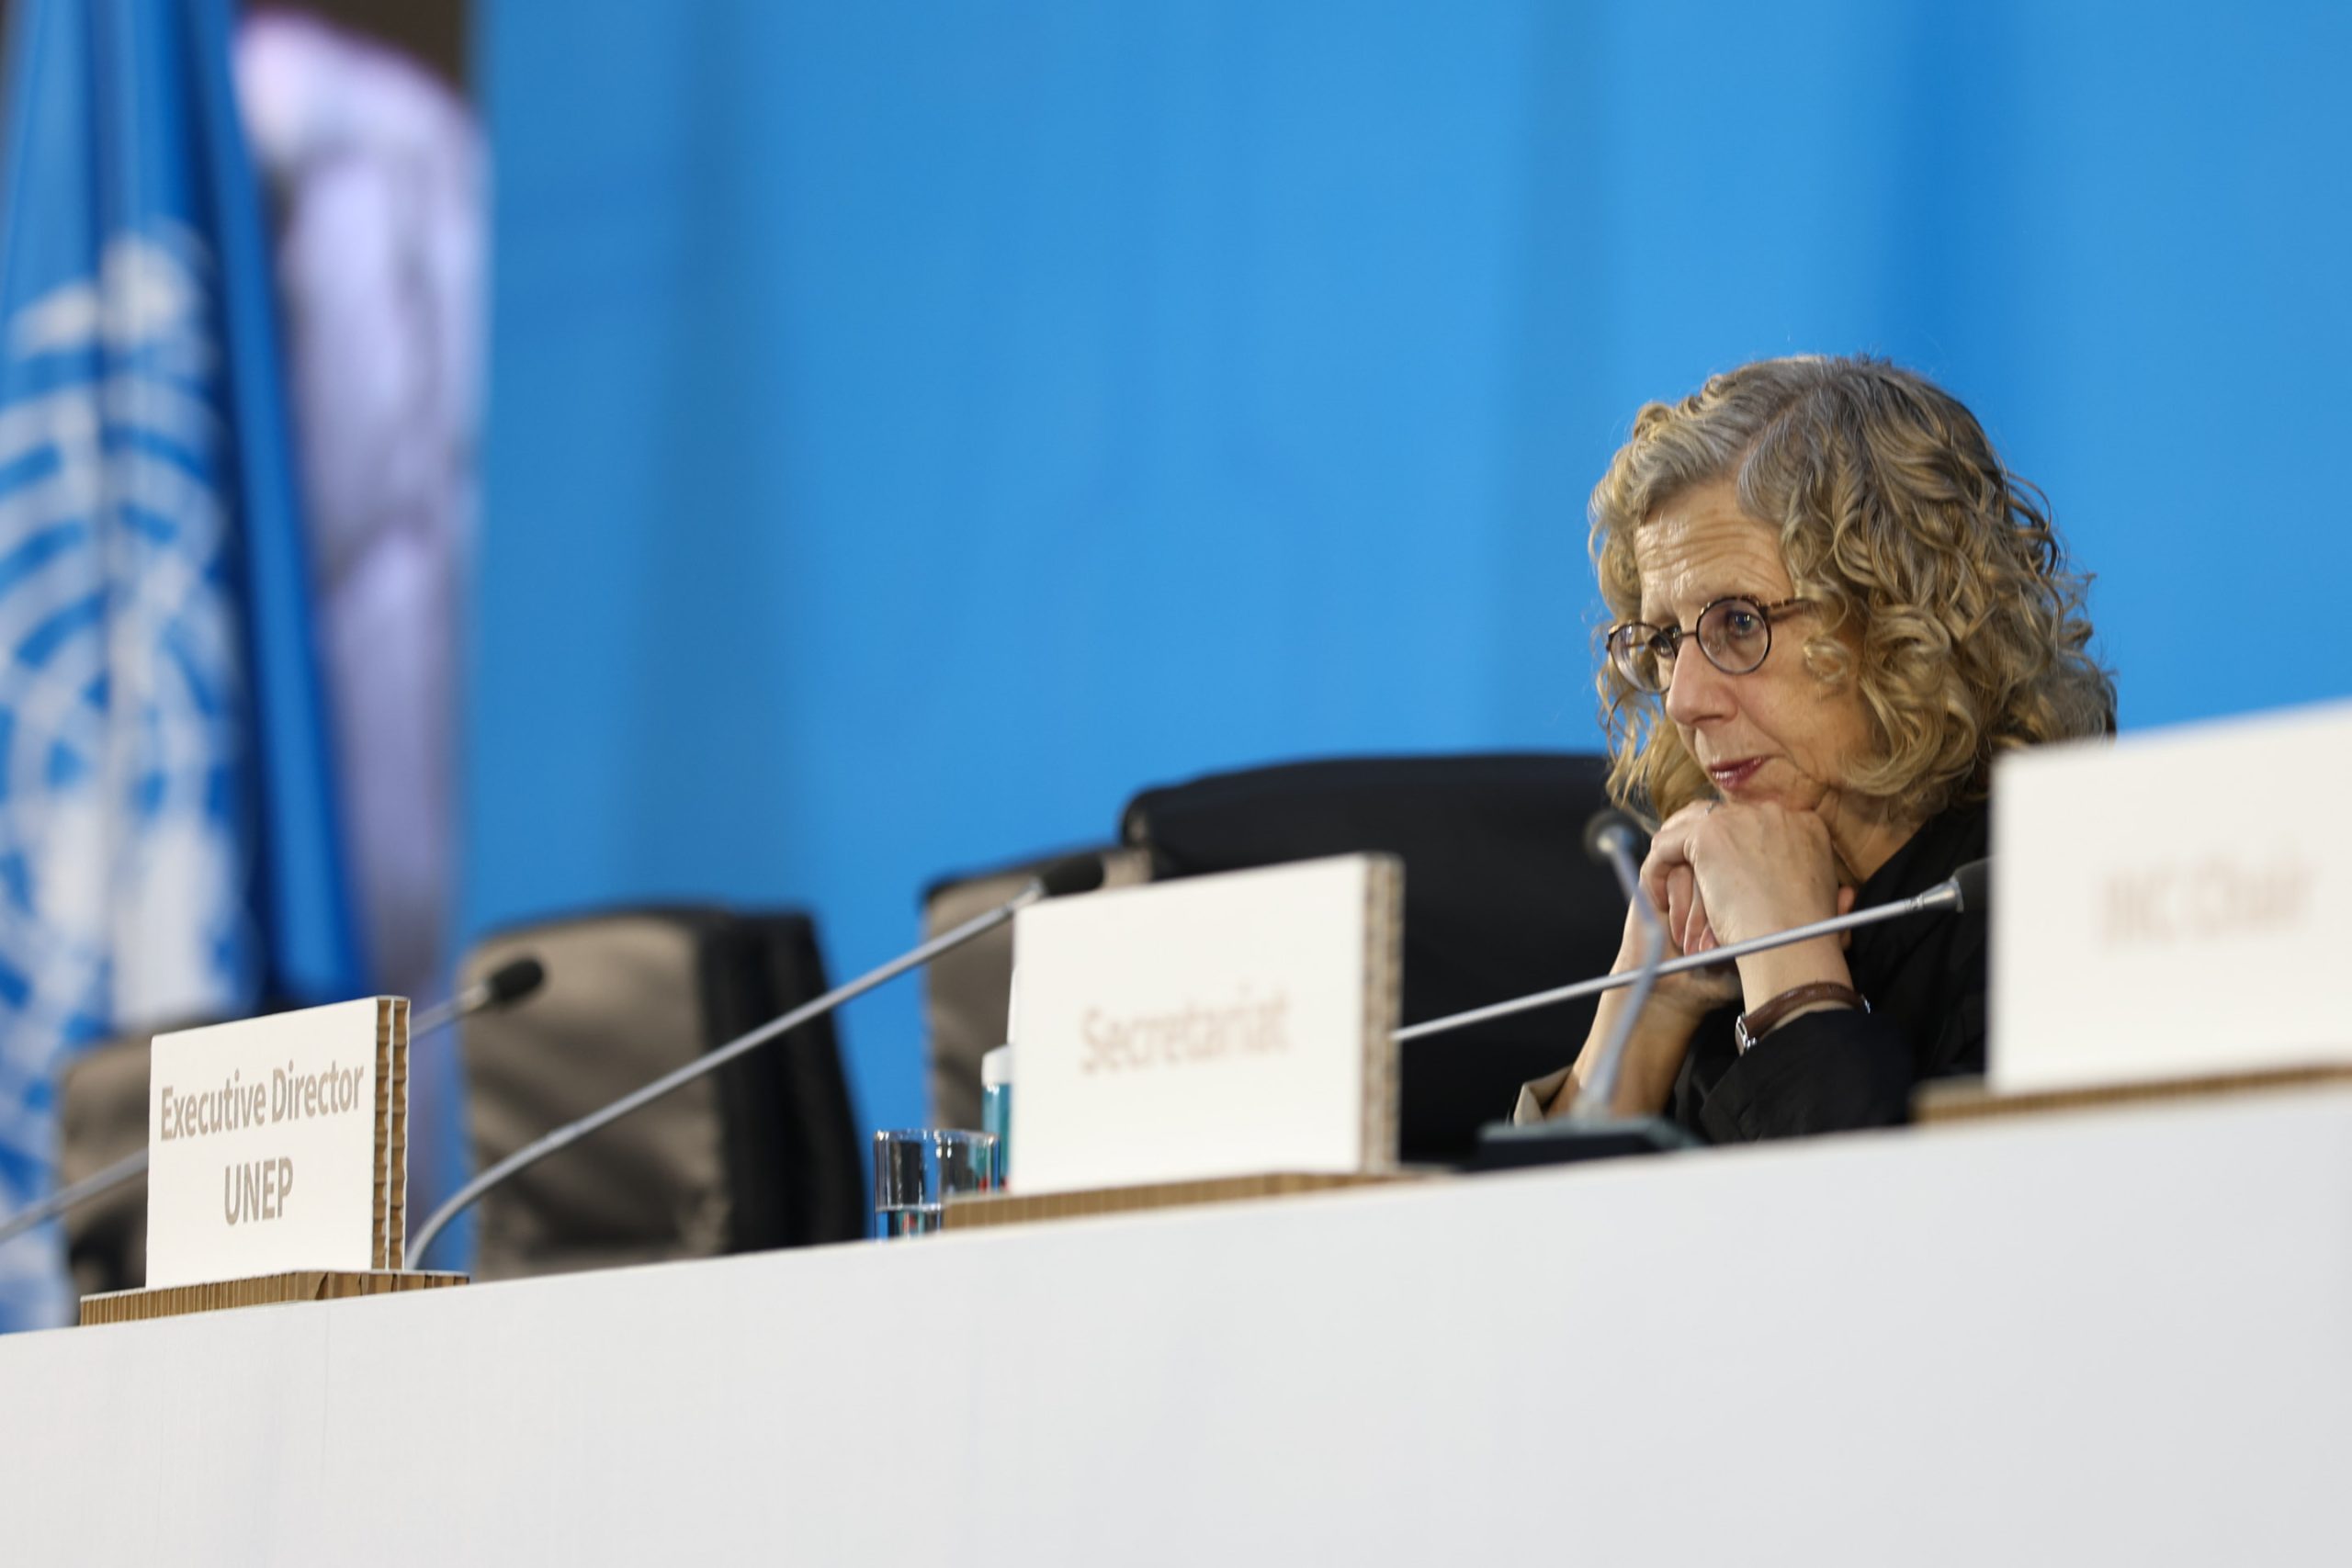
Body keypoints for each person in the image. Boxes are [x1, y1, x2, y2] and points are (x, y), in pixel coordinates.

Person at [1519, 355, 2114, 1139]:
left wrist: (1792, 987)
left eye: (1738, 623)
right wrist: (1646, 1007)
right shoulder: (1718, 906)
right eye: (1665, 640)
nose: (1686, 699)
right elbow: (1525, 1256)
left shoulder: (2073, 907)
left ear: (1909, 623)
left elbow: (1920, 1247)